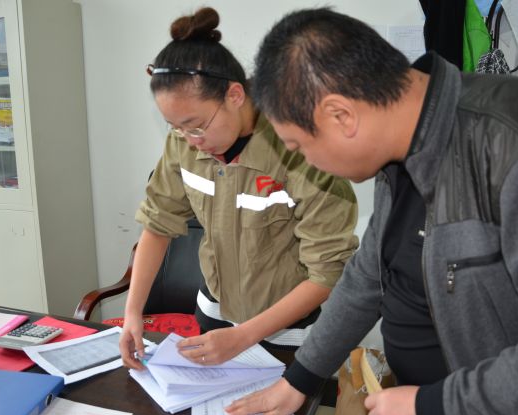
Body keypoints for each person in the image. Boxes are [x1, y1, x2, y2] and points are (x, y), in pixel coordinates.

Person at [225, 8, 518, 415]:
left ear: (341, 115)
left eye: (299, 147)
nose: (308, 164)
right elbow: (367, 278)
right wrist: (300, 377)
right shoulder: (401, 147)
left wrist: (436, 413)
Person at [119, 7, 359, 371]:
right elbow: (157, 224)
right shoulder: (184, 144)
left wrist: (244, 336)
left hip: (288, 329)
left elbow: (326, 273)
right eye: (176, 127)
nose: (190, 140)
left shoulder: (298, 149)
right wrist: (133, 313)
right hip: (213, 314)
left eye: (196, 125)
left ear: (234, 95)